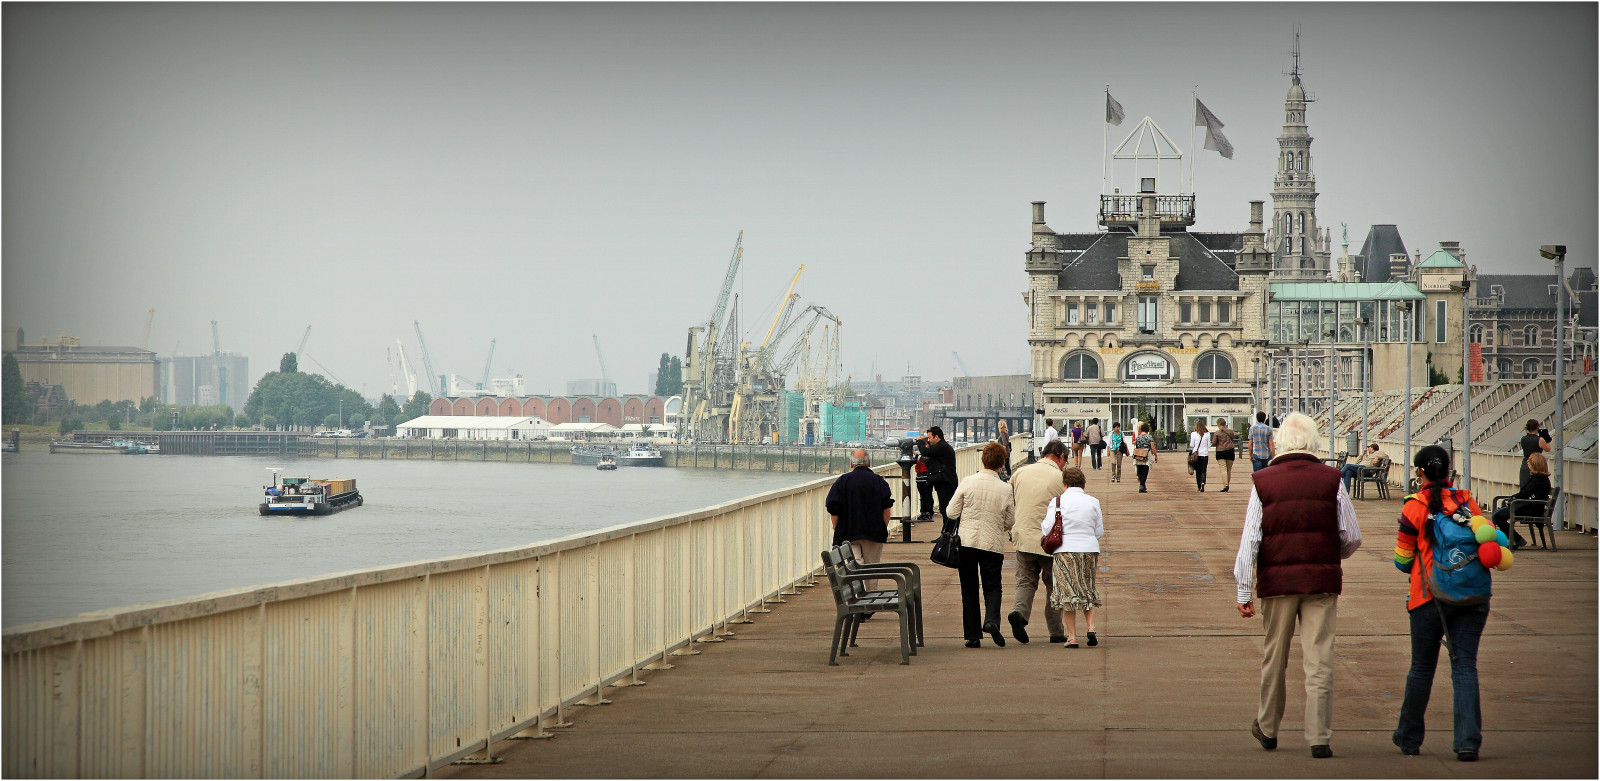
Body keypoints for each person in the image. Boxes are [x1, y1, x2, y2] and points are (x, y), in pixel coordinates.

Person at [1234, 412, 1363, 760]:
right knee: (1319, 659)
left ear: (1279, 444)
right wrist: (1328, 555)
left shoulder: (1263, 481)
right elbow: (1351, 536)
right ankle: (1319, 736)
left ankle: (1268, 727)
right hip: (1321, 582)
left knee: (1275, 656)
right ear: (1313, 442)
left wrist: (1243, 590)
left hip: (1277, 584)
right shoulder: (1332, 479)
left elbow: (1251, 541)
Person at [1392, 444, 1489, 761]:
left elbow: (1403, 560)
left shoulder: (1414, 506)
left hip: (1428, 596)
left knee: (1421, 668)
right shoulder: (1466, 501)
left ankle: (1409, 738)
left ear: (1420, 473)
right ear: (1449, 472)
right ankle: (1467, 743)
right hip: (1472, 594)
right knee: (1465, 667)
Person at [946, 442, 1016, 648]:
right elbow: (1010, 521)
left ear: (983, 460)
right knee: (993, 586)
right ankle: (991, 621)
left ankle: (973, 636)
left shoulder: (968, 482)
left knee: (969, 589)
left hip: (966, 542)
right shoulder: (1005, 488)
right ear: (1002, 463)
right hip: (992, 544)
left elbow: (951, 512)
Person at [1007, 439, 1068, 644]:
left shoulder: (1020, 472)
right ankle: (1056, 632)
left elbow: (1011, 500)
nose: (1064, 464)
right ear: (1059, 456)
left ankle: (1019, 613)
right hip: (1050, 541)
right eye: (1064, 460)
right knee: (1054, 586)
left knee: (1025, 581)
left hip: (1023, 536)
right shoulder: (1060, 477)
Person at [1044, 466, 1104, 648]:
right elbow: (1099, 531)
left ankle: (1072, 637)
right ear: (1083, 483)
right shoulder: (1093, 501)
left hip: (1065, 551)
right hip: (1089, 550)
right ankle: (1091, 627)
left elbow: (1047, 528)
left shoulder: (1057, 502)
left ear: (1065, 484)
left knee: (1067, 593)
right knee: (1087, 588)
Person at [825, 450, 895, 581]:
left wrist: (837, 527)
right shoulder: (879, 482)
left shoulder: (842, 481)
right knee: (871, 568)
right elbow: (886, 509)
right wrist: (882, 527)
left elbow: (833, 507)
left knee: (854, 564)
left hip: (848, 532)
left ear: (851, 464)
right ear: (869, 463)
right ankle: (870, 596)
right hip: (873, 533)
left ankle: (857, 593)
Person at [1491, 452, 1546, 550]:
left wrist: (1513, 498)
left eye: (1529, 462)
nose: (1528, 464)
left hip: (1531, 509)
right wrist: (1513, 498)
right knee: (1498, 514)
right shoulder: (1539, 479)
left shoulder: (1537, 479)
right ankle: (1515, 539)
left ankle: (1516, 540)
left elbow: (1524, 493)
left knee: (1497, 516)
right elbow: (1526, 493)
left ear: (1535, 465)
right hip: (1532, 507)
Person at [915, 426, 958, 526]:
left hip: (946, 482)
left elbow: (926, 452)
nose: (929, 440)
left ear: (936, 437)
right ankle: (945, 534)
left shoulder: (942, 447)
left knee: (946, 509)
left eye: (930, 438)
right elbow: (927, 459)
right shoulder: (941, 447)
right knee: (944, 509)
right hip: (943, 481)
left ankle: (947, 534)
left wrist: (920, 442)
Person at [1518, 418, 1552, 489]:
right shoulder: (1540, 439)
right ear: (1537, 427)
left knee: (1524, 486)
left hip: (1525, 464)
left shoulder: (1523, 439)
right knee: (1535, 487)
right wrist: (1546, 438)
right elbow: (1548, 449)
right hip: (1537, 464)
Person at [1213, 417, 1237, 493]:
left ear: (1218, 424)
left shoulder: (1217, 433)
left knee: (1223, 469)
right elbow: (1233, 438)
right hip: (1230, 451)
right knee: (1229, 469)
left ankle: (1225, 485)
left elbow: (1214, 443)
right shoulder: (1230, 431)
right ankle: (1227, 484)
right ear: (1225, 424)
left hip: (1221, 451)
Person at [1188, 419, 1213, 493]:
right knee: (1203, 470)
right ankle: (1203, 482)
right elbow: (1209, 445)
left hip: (1196, 455)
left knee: (1198, 471)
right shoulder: (1207, 434)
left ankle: (1199, 486)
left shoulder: (1193, 434)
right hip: (1204, 454)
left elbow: (1191, 445)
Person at [1133, 421, 1157, 493]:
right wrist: (1155, 455)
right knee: (1145, 470)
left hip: (1138, 455)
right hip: (1146, 455)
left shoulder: (1138, 438)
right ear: (1148, 429)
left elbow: (1136, 445)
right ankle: (1142, 485)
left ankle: (1142, 485)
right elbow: (1152, 448)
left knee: (1140, 470)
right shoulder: (1149, 437)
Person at [914, 455, 935, 521]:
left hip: (926, 477)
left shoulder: (929, 455)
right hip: (919, 478)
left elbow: (926, 461)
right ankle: (923, 512)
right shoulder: (921, 456)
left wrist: (917, 455)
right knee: (922, 496)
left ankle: (929, 512)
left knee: (928, 495)